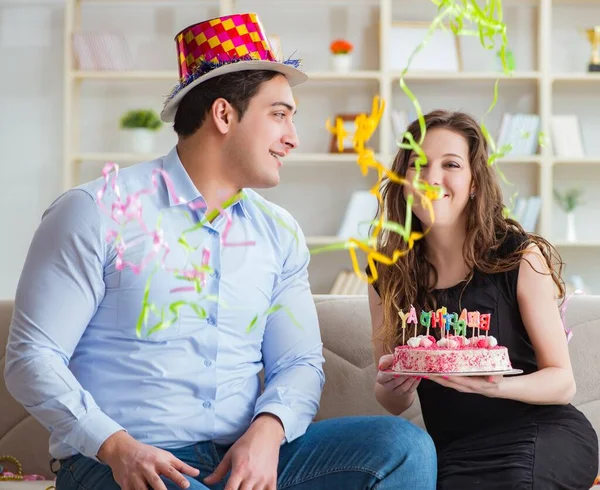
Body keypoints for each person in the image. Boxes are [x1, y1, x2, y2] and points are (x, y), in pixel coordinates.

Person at [4, 13, 437, 490]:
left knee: (401, 448)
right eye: (279, 114)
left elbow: (297, 363)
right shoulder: (95, 212)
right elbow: (32, 357)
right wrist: (116, 445)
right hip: (117, 462)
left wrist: (267, 433)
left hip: (238, 457)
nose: (293, 137)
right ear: (224, 114)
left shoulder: (279, 232)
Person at [368, 109, 599, 490]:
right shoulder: (387, 274)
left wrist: (492, 386)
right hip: (454, 449)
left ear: (474, 181)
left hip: (540, 432)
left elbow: (563, 383)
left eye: (451, 164)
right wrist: (392, 384)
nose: (431, 178)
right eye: (418, 164)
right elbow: (391, 399)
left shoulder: (518, 257)